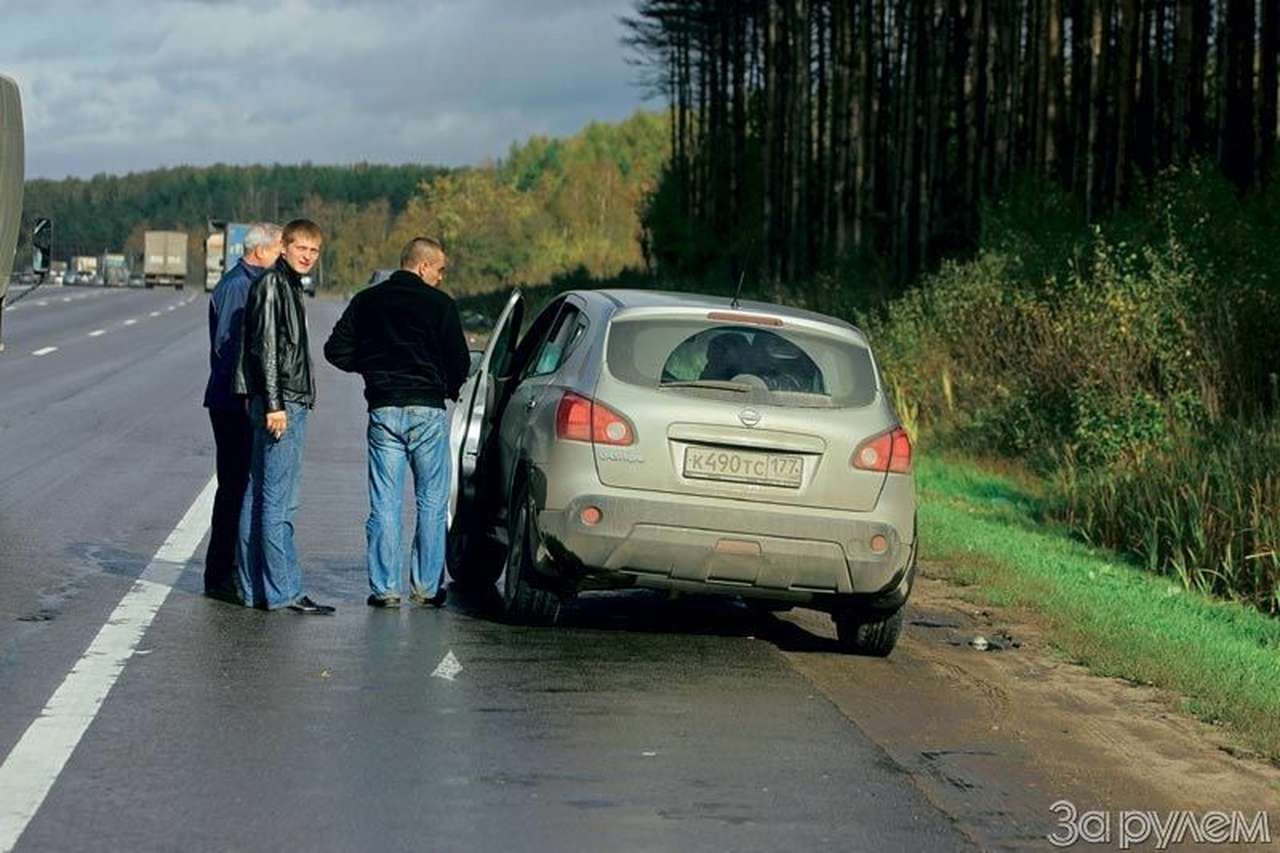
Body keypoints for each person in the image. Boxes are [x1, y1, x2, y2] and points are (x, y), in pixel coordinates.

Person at [323, 237, 470, 609]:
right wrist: (447, 386)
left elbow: (335, 349)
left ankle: (385, 589)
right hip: (427, 411)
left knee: (385, 503)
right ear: (422, 266)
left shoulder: (367, 300)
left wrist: (374, 369)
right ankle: (426, 587)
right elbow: (460, 363)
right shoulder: (441, 305)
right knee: (431, 502)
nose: (440, 277)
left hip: (383, 410)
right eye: (439, 270)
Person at [232, 218, 334, 614]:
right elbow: (267, 347)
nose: (307, 256)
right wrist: (274, 404)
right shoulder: (275, 285)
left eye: (314, 250)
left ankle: (253, 588)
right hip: (282, 403)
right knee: (278, 502)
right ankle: (283, 592)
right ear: (284, 247)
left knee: (258, 496)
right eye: (301, 248)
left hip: (280, 400)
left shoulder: (285, 285)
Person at [202, 223, 282, 602]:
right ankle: (222, 575)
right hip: (233, 401)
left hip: (240, 399)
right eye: (280, 247)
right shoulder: (239, 286)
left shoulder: (254, 282)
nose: (283, 255)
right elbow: (230, 348)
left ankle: (233, 570)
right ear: (261, 251)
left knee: (241, 487)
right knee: (234, 489)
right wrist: (252, 395)